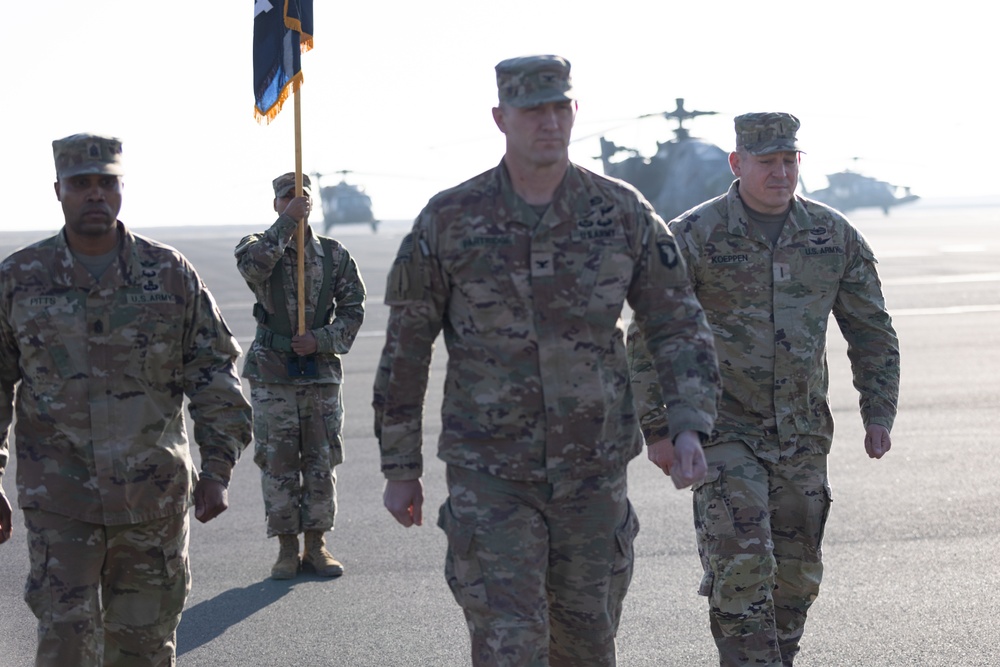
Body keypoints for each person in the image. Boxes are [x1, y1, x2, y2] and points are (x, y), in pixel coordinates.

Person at [372, 55, 721, 666]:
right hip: (491, 473)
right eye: (534, 110)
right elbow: (406, 348)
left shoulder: (622, 211)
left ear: (575, 112)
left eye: (560, 107)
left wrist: (688, 422)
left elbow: (676, 321)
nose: (550, 121)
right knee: (511, 642)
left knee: (587, 644)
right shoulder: (450, 219)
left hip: (594, 471)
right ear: (500, 117)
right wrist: (400, 464)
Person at [628, 112, 900, 666]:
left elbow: (871, 329)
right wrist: (657, 429)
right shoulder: (692, 236)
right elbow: (649, 333)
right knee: (742, 568)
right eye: (766, 161)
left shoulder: (833, 235)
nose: (780, 172)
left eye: (789, 160)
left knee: (796, 580)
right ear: (737, 163)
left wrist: (879, 411)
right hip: (722, 432)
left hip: (802, 436)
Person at [0, 132, 253, 666]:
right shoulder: (20, 280)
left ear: (121, 188)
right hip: (59, 503)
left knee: (143, 647)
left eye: (106, 183)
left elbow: (212, 373)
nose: (95, 194)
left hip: (152, 501)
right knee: (65, 641)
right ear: (58, 190)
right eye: (81, 184)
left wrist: (219, 468)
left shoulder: (169, 274)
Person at [235, 172, 365, 579]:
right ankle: (287, 548)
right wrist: (287, 223)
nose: (296, 201)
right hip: (273, 374)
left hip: (320, 372)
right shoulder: (256, 245)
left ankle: (317, 544)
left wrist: (322, 339)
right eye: (287, 197)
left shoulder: (333, 254)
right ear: (275, 204)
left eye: (302, 196)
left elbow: (353, 308)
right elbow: (255, 269)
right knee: (278, 460)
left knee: (321, 458)